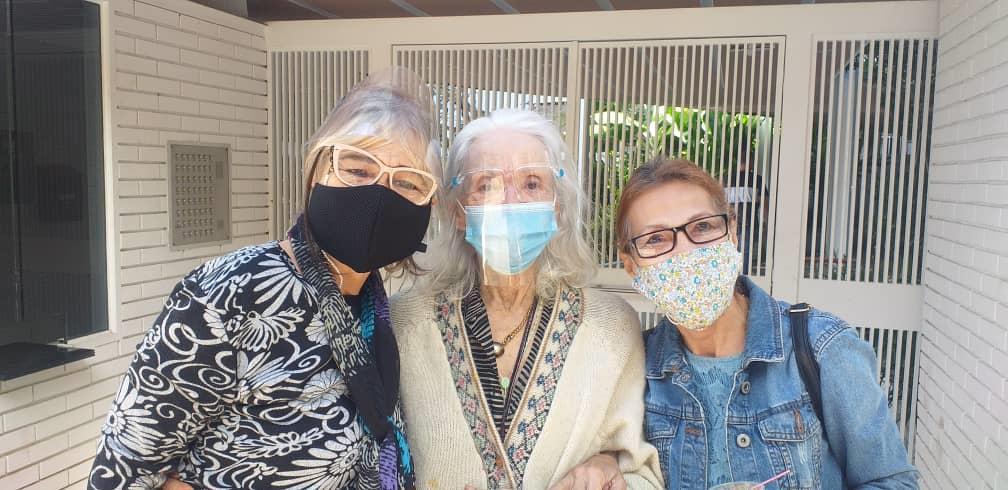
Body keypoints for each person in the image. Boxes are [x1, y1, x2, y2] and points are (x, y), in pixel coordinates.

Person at [88, 70, 439, 489]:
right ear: (317, 171)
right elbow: (120, 472)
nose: (380, 194)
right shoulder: (227, 294)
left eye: (407, 182)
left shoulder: (374, 307)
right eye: (358, 169)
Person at [390, 108, 662, 489]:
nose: (510, 202)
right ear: (458, 211)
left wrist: (608, 469)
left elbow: (641, 473)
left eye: (532, 183)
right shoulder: (404, 322)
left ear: (557, 205)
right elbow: (373, 462)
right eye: (486, 185)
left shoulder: (611, 326)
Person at [613, 157, 918, 489]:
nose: (685, 252)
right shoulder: (634, 367)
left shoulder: (821, 346)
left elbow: (892, 482)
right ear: (631, 265)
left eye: (702, 227)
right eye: (655, 239)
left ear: (732, 233)